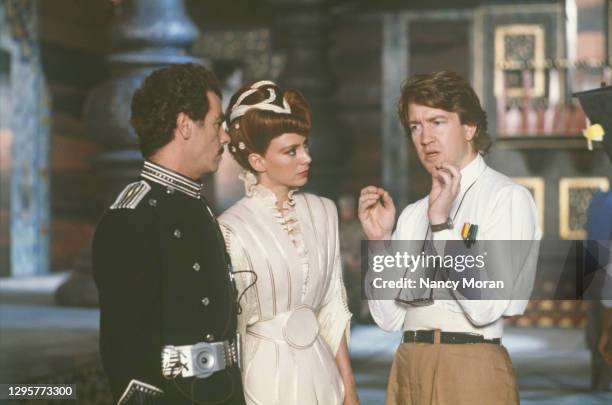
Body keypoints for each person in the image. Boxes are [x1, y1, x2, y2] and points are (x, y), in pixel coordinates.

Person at [358, 71, 541, 405]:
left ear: (469, 128)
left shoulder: (506, 197)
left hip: (471, 363)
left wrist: (442, 226)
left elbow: (486, 308)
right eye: (415, 126)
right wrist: (380, 240)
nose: (425, 137)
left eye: (437, 122)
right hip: (409, 362)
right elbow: (389, 319)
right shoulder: (414, 214)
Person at [92, 64, 245, 404]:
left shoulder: (198, 207)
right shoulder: (132, 217)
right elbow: (124, 351)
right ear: (185, 125)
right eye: (218, 123)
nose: (225, 136)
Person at [218, 80, 359, 405]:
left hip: (323, 375)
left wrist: (348, 388)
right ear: (257, 161)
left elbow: (333, 309)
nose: (306, 158)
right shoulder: (230, 228)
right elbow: (234, 329)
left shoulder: (324, 211)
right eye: (291, 151)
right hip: (263, 380)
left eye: (305, 146)